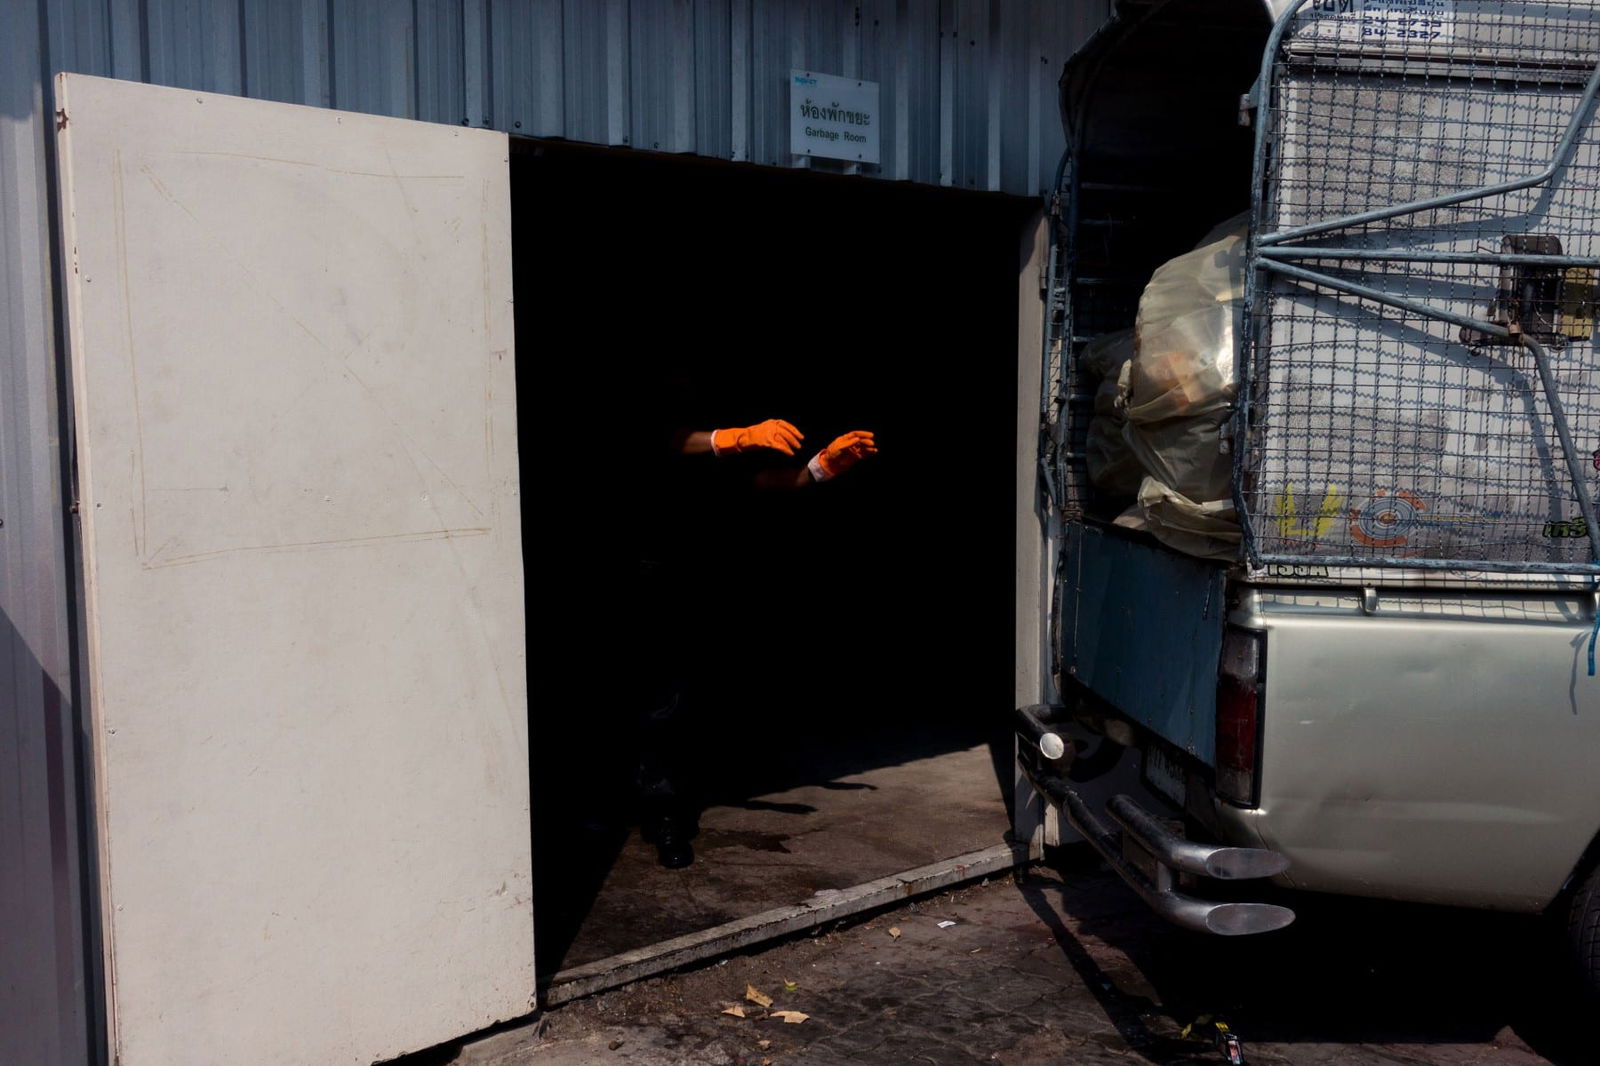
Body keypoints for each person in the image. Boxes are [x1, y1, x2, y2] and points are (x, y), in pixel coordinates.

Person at [634, 419, 877, 868]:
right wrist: (730, 438)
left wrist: (821, 467)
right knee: (661, 703)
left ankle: (693, 791)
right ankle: (664, 816)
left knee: (708, 695)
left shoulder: (725, 441)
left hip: (717, 575)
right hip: (652, 576)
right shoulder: (664, 421)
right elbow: (654, 440)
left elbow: (762, 482)